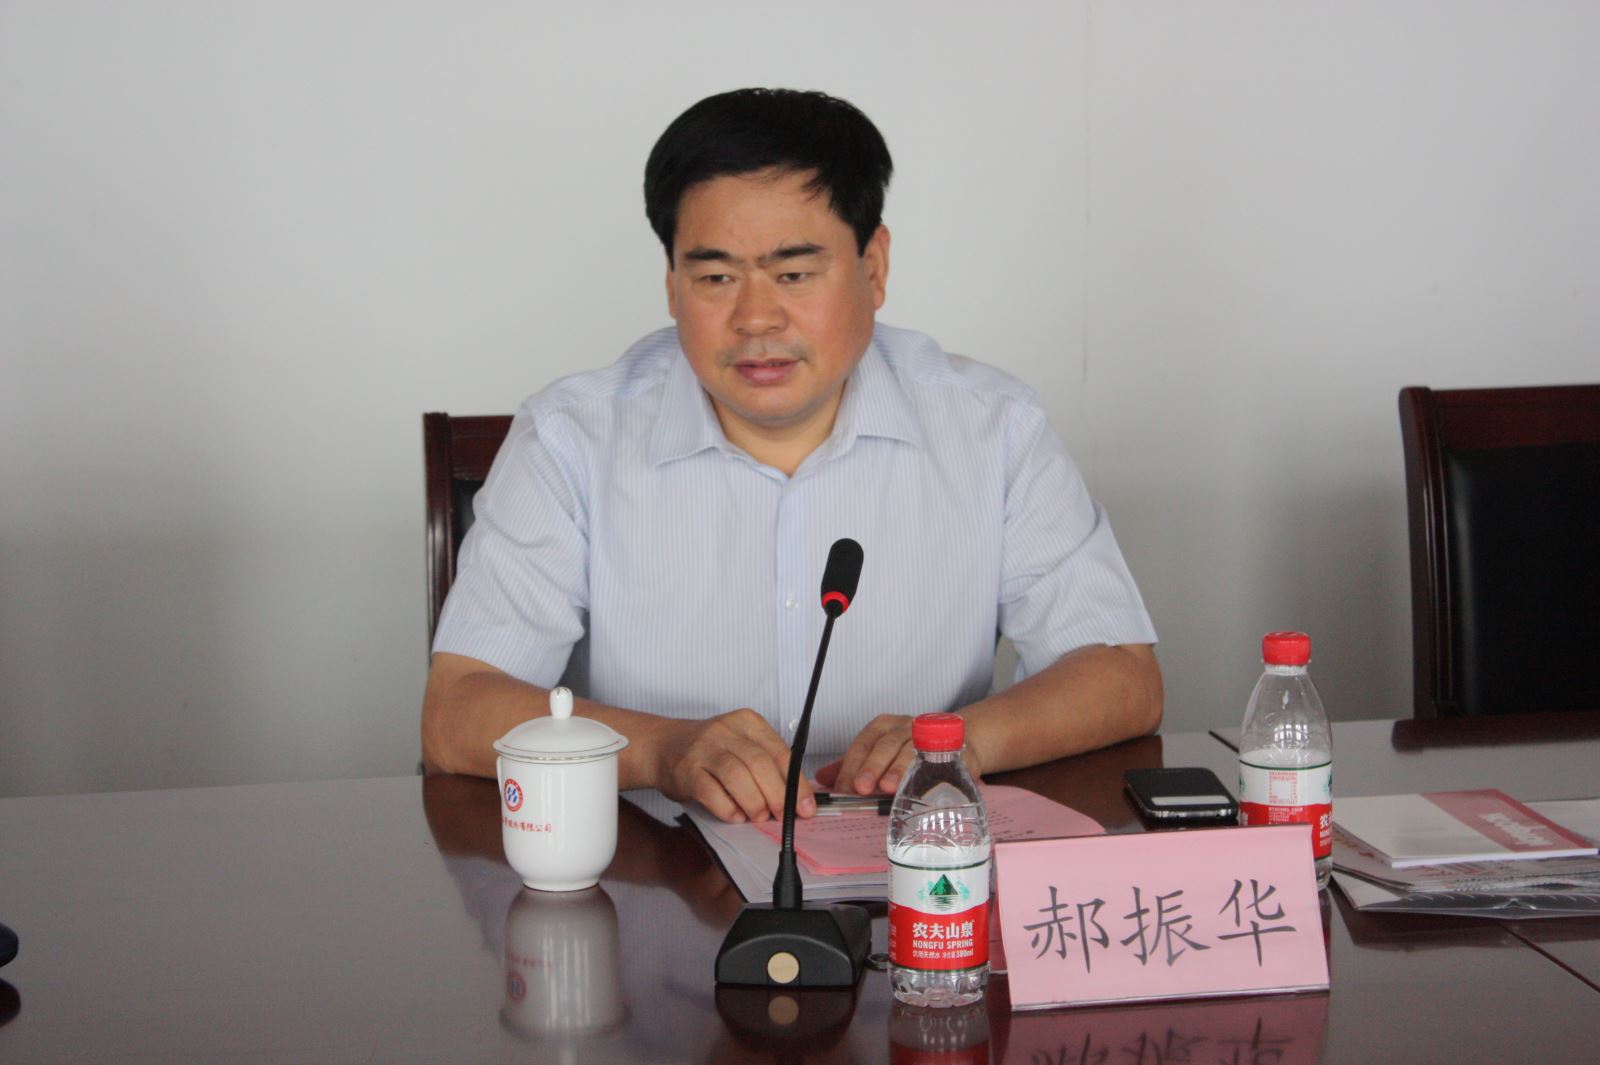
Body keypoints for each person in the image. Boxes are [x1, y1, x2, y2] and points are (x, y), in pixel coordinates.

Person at [422, 88, 1162, 824]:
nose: (755, 319)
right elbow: (458, 709)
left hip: (913, 865)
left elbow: (1122, 675)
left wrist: (960, 741)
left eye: (795, 274)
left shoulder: (992, 428)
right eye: (716, 277)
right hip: (653, 868)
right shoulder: (571, 439)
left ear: (874, 267)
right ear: (673, 285)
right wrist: (662, 750)